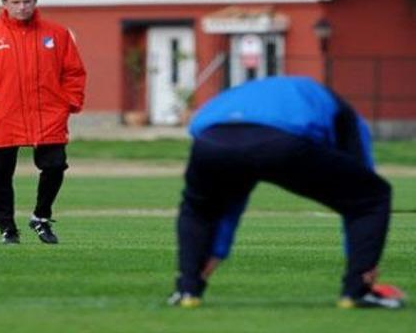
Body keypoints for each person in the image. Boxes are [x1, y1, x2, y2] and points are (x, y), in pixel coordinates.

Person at [169, 76, 405, 309]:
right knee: (372, 196)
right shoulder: (343, 112)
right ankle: (358, 292)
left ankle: (187, 290)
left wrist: (215, 251)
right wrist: (364, 265)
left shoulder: (244, 95)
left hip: (209, 142)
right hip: (280, 141)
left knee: (198, 209)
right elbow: (361, 188)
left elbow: (233, 188)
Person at [0, 0, 87, 245]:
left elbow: (73, 72)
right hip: (2, 115)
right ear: (4, 3)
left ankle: (41, 217)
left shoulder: (57, 34)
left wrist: (68, 103)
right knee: (0, 175)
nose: (22, 7)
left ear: (35, 1)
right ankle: (7, 229)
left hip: (48, 114)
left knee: (55, 166)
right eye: (15, 2)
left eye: (27, 1)